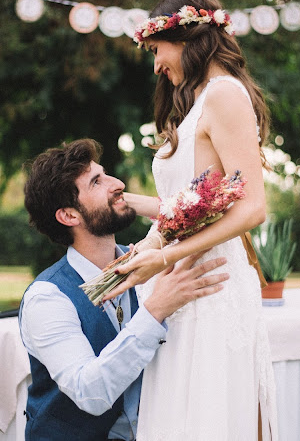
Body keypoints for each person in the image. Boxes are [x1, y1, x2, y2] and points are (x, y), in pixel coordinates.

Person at [103, 0, 278, 440]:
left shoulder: (224, 95)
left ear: (185, 39)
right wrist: (146, 245)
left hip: (213, 285)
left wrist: (163, 259)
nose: (156, 64)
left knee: (208, 417)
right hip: (181, 287)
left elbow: (252, 207)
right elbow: (194, 207)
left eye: (157, 49)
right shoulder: (197, 104)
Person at [19, 139, 228, 441]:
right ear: (69, 216)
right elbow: (90, 393)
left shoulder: (152, 265)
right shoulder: (48, 298)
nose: (117, 184)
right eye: (96, 182)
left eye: (106, 174)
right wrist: (156, 309)